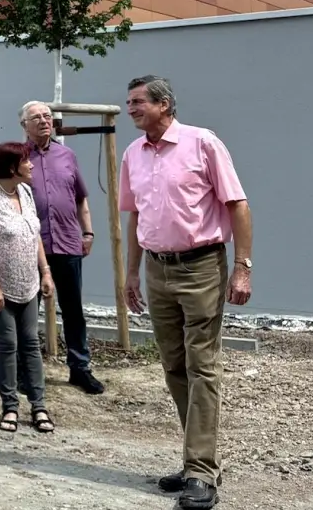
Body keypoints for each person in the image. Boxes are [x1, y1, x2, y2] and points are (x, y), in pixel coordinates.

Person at [121, 75, 253, 510]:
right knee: (174, 366)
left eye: (138, 101)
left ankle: (200, 470)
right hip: (157, 271)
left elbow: (238, 204)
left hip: (201, 269)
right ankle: (198, 459)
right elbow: (136, 217)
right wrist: (132, 274)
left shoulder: (202, 143)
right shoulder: (132, 154)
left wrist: (242, 269)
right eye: (129, 102)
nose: (131, 108)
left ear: (164, 104)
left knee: (202, 367)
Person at [0, 142, 56, 435]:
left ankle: (39, 405)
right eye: (26, 161)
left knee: (30, 342)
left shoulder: (25, 192)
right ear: (10, 167)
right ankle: (10, 406)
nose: (31, 165)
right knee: (7, 343)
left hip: (29, 281)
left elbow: (35, 236)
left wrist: (45, 272)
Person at [20, 101, 104, 395]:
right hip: (30, 246)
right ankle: (25, 371)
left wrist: (89, 232)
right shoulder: (16, 158)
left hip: (68, 242)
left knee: (73, 309)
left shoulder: (67, 155)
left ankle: (80, 368)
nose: (44, 121)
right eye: (36, 118)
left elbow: (80, 198)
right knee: (26, 310)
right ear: (24, 126)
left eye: (47, 116)